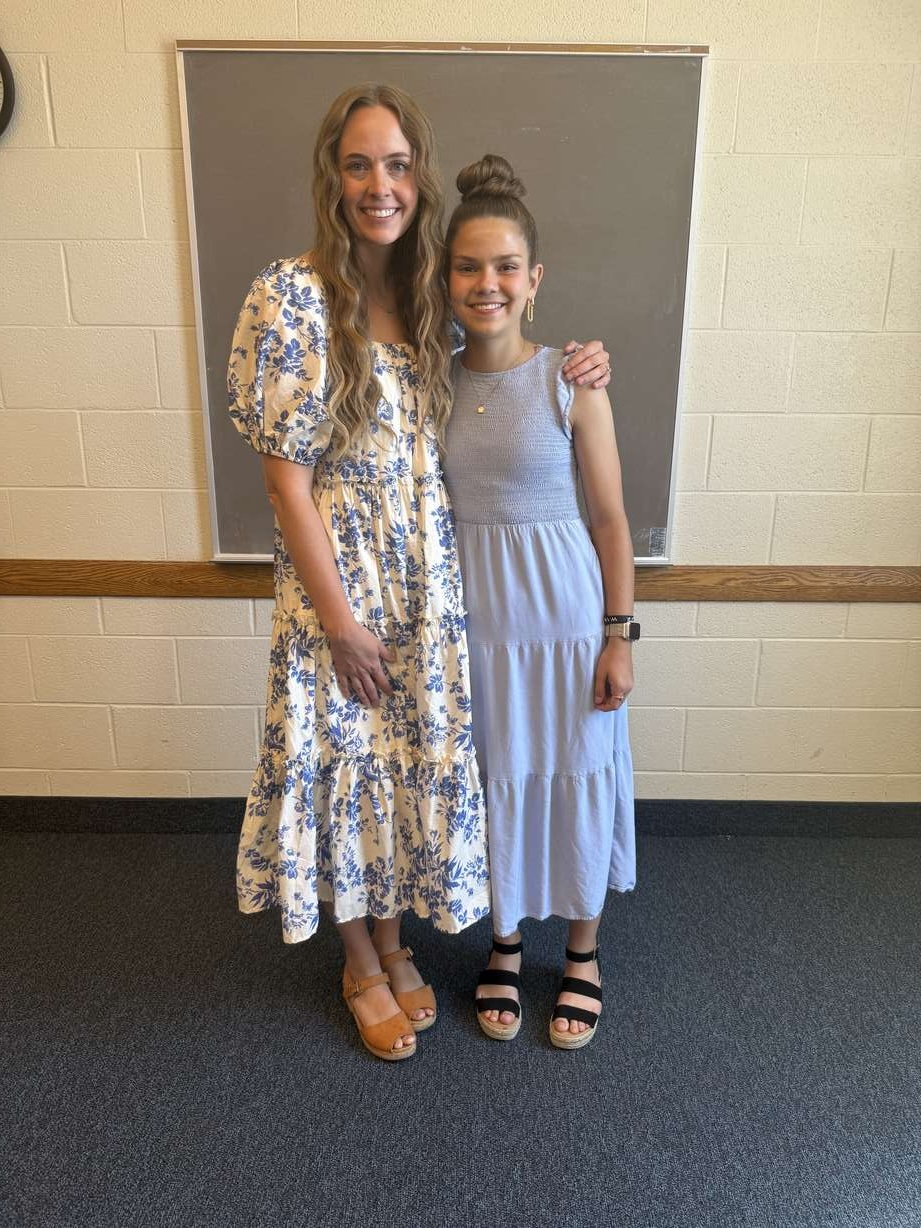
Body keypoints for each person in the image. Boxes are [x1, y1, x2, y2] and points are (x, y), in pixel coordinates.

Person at [227, 87, 611, 1061]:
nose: (380, 183)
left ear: (417, 178)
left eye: (398, 164)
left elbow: (503, 359)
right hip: (340, 594)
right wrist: (341, 621)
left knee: (402, 774)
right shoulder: (291, 295)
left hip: (427, 593)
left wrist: (584, 360)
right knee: (345, 768)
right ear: (333, 175)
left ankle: (397, 948)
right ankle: (359, 961)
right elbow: (285, 480)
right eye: (360, 164)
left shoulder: (427, 303)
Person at [442, 155, 637, 1050]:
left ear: (533, 279)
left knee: (578, 774)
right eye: (468, 266)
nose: (488, 284)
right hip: (477, 632)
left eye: (505, 266)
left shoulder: (572, 378)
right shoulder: (429, 382)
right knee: (498, 781)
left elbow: (608, 519)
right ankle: (508, 941)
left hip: (564, 627)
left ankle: (585, 953)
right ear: (445, 277)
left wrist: (617, 636)